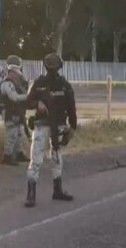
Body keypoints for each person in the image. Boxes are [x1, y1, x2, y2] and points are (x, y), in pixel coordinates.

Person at [24, 53, 77, 208]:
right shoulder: (40, 84)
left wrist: (72, 127)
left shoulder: (63, 85)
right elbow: (27, 102)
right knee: (38, 160)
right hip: (42, 125)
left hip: (58, 126)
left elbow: (71, 108)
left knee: (56, 158)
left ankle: (56, 190)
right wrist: (38, 103)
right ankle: (31, 194)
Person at [0, 55, 30, 166]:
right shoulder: (7, 83)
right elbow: (14, 97)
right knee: (12, 134)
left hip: (16, 111)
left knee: (20, 132)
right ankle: (7, 156)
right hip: (9, 112)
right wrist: (28, 97)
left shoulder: (14, 83)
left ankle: (19, 153)